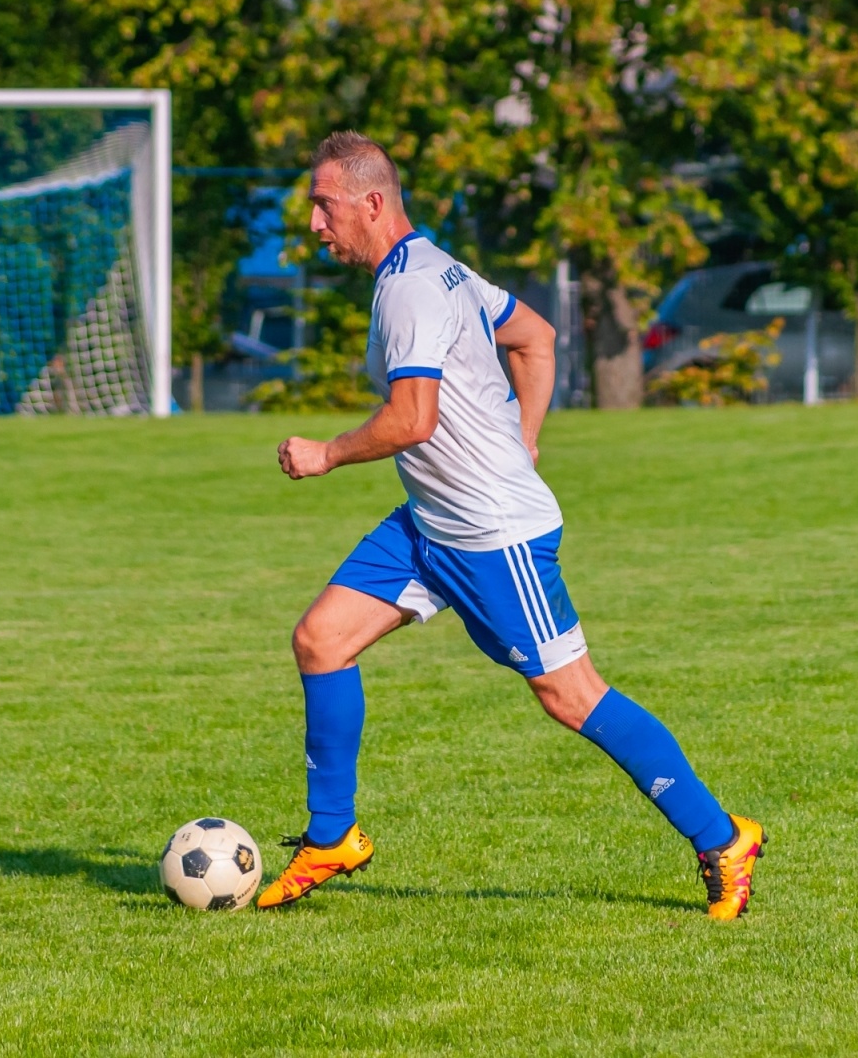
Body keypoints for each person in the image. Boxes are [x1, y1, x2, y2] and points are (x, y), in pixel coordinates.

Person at [259, 131, 766, 920]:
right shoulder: (438, 268)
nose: (316, 225)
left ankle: (721, 836)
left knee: (570, 695)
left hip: (495, 536)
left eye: (324, 206)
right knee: (321, 639)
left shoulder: (413, 288)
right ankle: (333, 835)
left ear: (370, 202)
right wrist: (524, 435)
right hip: (433, 525)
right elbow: (535, 337)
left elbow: (413, 418)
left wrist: (326, 453)